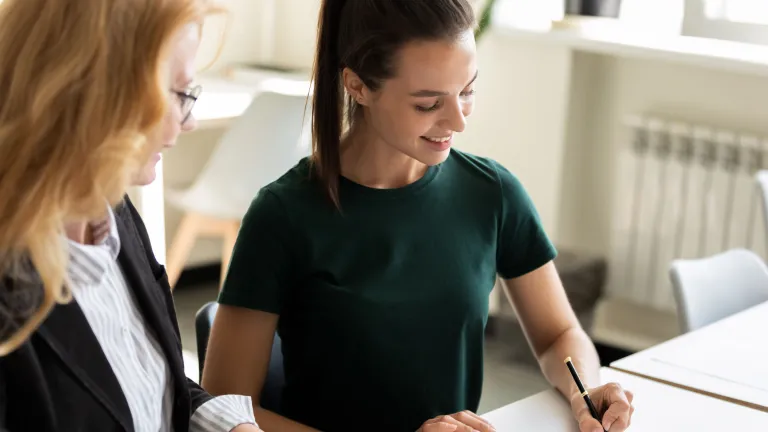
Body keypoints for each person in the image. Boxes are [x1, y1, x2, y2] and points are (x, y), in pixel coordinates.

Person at [201, 1, 635, 431]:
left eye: (467, 92)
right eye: (428, 104)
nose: (458, 122)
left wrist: (584, 391)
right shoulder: (282, 216)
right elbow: (224, 409)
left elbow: (558, 334)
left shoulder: (492, 194)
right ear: (357, 86)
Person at [0, 0, 261, 431]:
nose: (189, 119)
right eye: (180, 94)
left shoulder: (113, 214)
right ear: (100, 90)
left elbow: (148, 386)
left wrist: (231, 425)